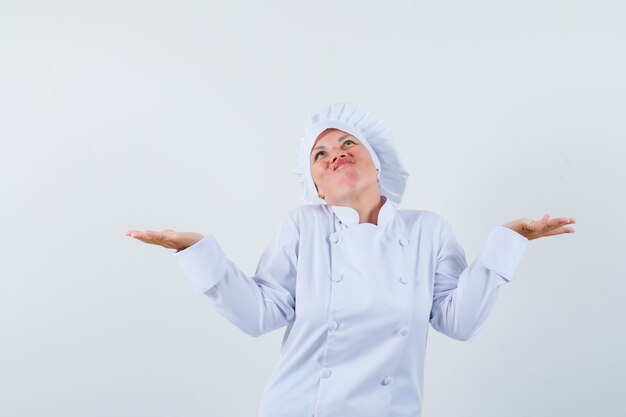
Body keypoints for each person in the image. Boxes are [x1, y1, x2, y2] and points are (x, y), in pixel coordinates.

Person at [125, 103, 576, 417]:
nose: (335, 154)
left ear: (378, 162)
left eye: (347, 143)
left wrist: (507, 242)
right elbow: (260, 314)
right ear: (315, 186)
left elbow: (459, 321)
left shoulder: (427, 230)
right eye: (319, 154)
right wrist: (198, 251)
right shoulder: (303, 225)